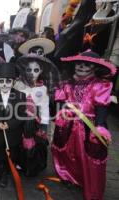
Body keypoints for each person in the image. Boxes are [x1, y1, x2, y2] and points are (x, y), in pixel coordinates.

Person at [52, 50, 116, 200]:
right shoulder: (67, 84)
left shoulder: (100, 85)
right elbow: (61, 101)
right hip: (68, 123)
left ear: (94, 67)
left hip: (89, 126)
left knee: (90, 157)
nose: (81, 67)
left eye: (86, 64)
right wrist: (61, 113)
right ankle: (69, 176)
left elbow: (101, 107)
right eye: (79, 64)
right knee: (66, 152)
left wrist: (100, 126)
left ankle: (91, 187)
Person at [14, 55, 59, 177]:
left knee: (34, 142)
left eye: (36, 70)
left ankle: (32, 165)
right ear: (24, 70)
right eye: (29, 70)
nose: (32, 73)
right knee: (19, 141)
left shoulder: (43, 88)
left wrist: (44, 124)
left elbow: (44, 107)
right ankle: (20, 162)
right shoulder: (18, 84)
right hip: (19, 119)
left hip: (34, 120)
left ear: (41, 71)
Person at [0, 63, 26, 188]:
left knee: (11, 156)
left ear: (13, 82)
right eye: (1, 81)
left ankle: (6, 174)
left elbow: (21, 116)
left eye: (8, 81)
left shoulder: (20, 96)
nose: (4, 84)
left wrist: (9, 124)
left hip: (12, 134)